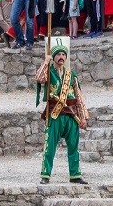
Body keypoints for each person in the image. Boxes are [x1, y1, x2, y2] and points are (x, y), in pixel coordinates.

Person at [35, 37, 88, 184]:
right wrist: (45, 62)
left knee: (73, 146)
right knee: (49, 145)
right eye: (58, 55)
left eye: (63, 55)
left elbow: (78, 96)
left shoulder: (71, 75)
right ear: (53, 57)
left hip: (71, 115)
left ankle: (75, 175)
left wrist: (83, 117)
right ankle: (45, 175)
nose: (61, 57)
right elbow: (39, 79)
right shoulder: (48, 72)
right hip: (55, 114)